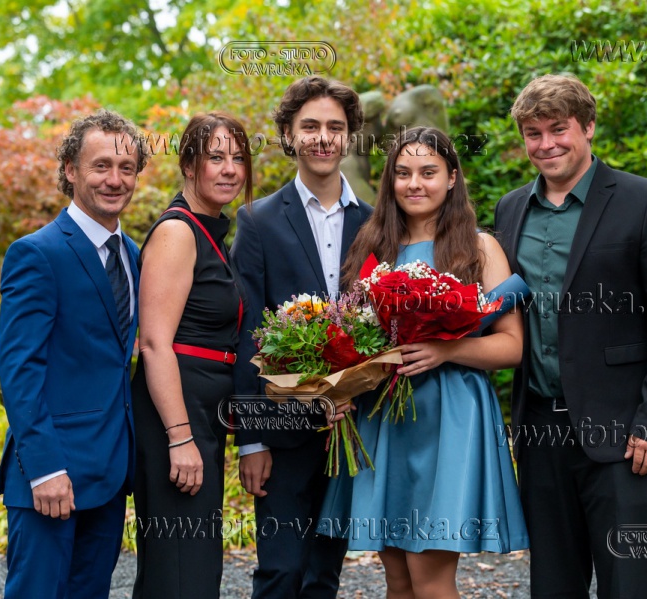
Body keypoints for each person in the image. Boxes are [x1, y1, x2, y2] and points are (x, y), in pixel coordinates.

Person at [494, 74, 647, 598]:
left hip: (623, 431)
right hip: (539, 429)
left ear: (587, 127)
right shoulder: (510, 209)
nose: (546, 144)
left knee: (626, 584)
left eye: (558, 129)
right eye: (533, 134)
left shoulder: (644, 200)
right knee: (552, 584)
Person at [320, 126, 529, 599]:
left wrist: (447, 349)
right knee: (397, 578)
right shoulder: (372, 247)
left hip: (448, 416)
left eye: (428, 172)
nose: (414, 183)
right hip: (382, 416)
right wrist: (342, 386)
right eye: (403, 173)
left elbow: (512, 347)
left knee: (430, 578)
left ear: (452, 178)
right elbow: (352, 339)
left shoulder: (479, 247)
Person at [0, 110, 148, 599]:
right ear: (70, 170)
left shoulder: (134, 255)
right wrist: (44, 468)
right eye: (101, 166)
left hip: (109, 473)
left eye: (126, 168)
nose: (115, 180)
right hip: (51, 475)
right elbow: (20, 371)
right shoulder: (36, 254)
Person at [230, 76, 373, 599]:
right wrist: (252, 438)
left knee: (323, 576)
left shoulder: (376, 223)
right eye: (310, 126)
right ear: (289, 135)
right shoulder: (257, 220)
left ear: (349, 135)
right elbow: (247, 331)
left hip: (351, 427)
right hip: (283, 430)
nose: (323, 137)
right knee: (281, 572)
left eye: (335, 126)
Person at [130, 112, 253, 599]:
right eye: (215, 157)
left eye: (238, 158)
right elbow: (154, 343)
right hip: (176, 417)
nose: (230, 169)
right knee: (183, 571)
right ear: (187, 164)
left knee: (191, 566)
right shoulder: (178, 232)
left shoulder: (209, 232)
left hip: (201, 413)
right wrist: (180, 437)